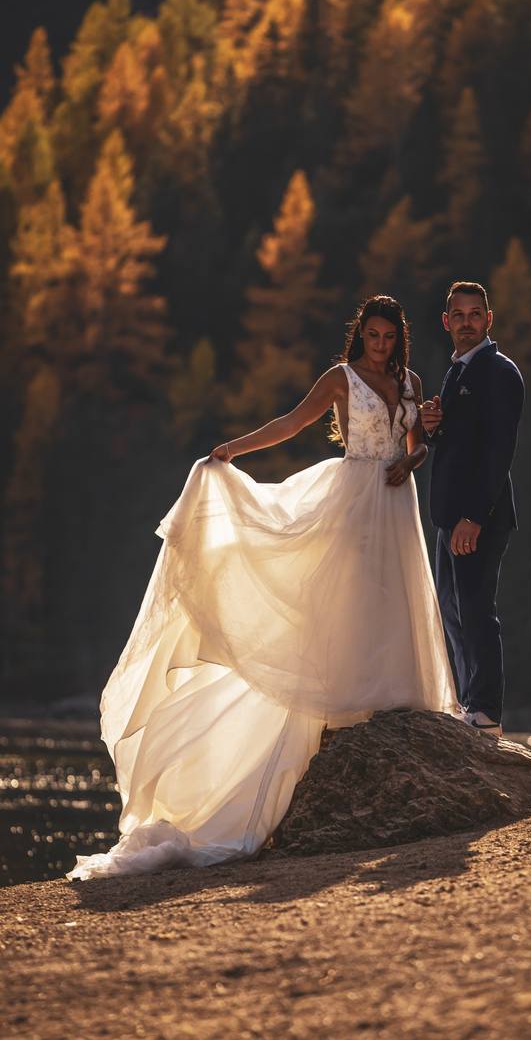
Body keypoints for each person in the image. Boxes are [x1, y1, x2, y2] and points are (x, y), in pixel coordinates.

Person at [68, 296, 455, 879]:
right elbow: (292, 423)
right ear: (361, 337)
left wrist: (415, 459)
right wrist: (233, 449)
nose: (379, 345)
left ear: (399, 339)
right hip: (352, 500)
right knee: (346, 603)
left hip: (398, 505)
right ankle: (343, 710)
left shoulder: (410, 382)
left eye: (387, 337)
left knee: (395, 601)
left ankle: (393, 700)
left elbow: (415, 446)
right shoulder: (340, 378)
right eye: (371, 336)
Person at [421, 282, 524, 738]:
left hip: (477, 518)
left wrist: (474, 517)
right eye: (458, 315)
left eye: (475, 313)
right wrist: (432, 429)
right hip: (450, 518)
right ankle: (470, 705)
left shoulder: (498, 371)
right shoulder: (458, 371)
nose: (466, 321)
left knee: (477, 609)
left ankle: (486, 713)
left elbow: (498, 452)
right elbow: (461, 446)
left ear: (488, 320)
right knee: (453, 611)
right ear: (447, 322)